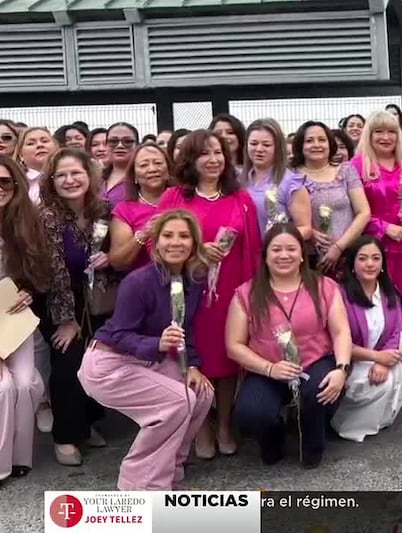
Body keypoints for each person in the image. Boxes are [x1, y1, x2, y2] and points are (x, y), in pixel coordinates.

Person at [77, 209, 214, 490]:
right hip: (109, 363)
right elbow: (118, 334)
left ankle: (170, 469)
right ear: (156, 241)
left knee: (202, 393)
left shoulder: (193, 281)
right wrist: (156, 344)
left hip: (148, 361)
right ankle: (139, 486)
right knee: (177, 402)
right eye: (168, 235)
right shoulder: (138, 282)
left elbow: (185, 330)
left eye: (184, 236)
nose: (176, 242)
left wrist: (193, 366)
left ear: (194, 244)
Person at [158, 129, 261, 458]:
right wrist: (198, 252)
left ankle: (226, 423)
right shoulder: (174, 197)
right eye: (205, 153)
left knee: (228, 358)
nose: (213, 159)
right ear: (190, 159)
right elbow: (158, 245)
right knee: (194, 357)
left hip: (231, 290)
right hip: (189, 292)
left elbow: (254, 247)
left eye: (218, 152)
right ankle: (201, 426)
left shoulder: (240, 198)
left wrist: (253, 293)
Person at [226, 223, 351, 468]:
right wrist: (269, 369)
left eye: (291, 249)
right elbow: (234, 345)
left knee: (320, 391)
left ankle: (313, 444)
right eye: (276, 250)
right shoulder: (247, 293)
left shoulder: (323, 286)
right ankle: (275, 438)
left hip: (314, 362)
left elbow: (340, 331)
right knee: (251, 412)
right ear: (265, 256)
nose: (284, 255)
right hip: (267, 368)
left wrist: (342, 369)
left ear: (302, 255)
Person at [39, 148, 115, 465]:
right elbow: (53, 273)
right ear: (52, 181)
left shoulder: (104, 211)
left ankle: (86, 422)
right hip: (59, 302)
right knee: (68, 363)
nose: (70, 180)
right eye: (62, 175)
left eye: (76, 173)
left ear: (90, 175)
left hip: (96, 298)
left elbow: (116, 251)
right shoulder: (47, 217)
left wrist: (111, 259)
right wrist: (66, 320)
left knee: (94, 361)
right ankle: (66, 435)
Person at [330, 236, 402, 441]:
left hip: (379, 357)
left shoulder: (389, 293)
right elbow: (337, 341)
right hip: (350, 361)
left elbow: (396, 331)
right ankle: (348, 426)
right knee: (382, 383)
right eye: (362, 258)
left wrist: (385, 362)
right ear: (352, 264)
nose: (369, 264)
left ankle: (379, 420)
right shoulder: (340, 295)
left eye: (375, 258)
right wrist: (378, 357)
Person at [352, 111, 402, 329]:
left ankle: (400, 355)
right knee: (374, 304)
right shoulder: (357, 165)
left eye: (391, 132)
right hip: (374, 248)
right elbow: (355, 210)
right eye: (379, 132)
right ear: (369, 135)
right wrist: (384, 227)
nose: (385, 137)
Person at [0, 155, 50, 483]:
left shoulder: (28, 222)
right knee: (2, 387)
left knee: (26, 383)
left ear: (16, 184)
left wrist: (29, 291)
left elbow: (41, 275)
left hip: (12, 319)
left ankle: (20, 459)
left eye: (4, 181)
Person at [291, 121, 370, 278]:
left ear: (330, 143)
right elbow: (283, 216)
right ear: (300, 145)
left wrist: (339, 247)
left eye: (322, 140)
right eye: (309, 141)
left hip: (347, 254)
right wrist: (310, 233)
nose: (316, 145)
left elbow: (364, 212)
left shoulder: (346, 170)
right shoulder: (291, 176)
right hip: (308, 256)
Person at [241, 119, 311, 239]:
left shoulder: (291, 183)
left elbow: (305, 228)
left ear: (277, 147)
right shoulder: (239, 180)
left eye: (266, 145)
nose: (259, 149)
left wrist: (279, 239)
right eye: (253, 143)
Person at [108, 143, 172, 273]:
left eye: (158, 163)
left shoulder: (183, 200)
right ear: (134, 176)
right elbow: (117, 262)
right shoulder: (124, 210)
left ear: (168, 170)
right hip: (143, 286)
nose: (152, 169)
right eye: (144, 165)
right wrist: (143, 235)